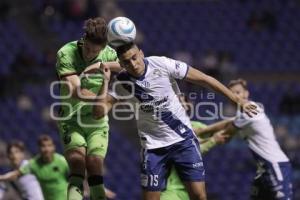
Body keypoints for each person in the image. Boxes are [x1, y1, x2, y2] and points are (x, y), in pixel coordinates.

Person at [93, 42, 257, 200]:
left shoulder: (162, 64)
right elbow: (99, 112)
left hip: (183, 141)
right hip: (153, 148)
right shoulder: (122, 82)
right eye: (127, 62)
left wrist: (237, 100)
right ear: (121, 64)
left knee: (199, 196)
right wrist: (105, 81)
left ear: (141, 53)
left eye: (134, 58)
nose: (133, 64)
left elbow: (205, 79)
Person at [55, 17, 120, 200]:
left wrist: (102, 65)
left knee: (94, 164)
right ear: (84, 38)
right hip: (71, 118)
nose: (90, 53)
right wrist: (103, 97)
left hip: (96, 121)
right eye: (88, 48)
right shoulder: (66, 53)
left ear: (104, 48)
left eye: (95, 51)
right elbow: (76, 91)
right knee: (77, 164)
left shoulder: (109, 54)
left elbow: (126, 66)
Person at [197, 78, 293, 200]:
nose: (235, 96)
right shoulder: (242, 115)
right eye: (232, 93)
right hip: (263, 171)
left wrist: (202, 137)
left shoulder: (251, 110)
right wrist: (203, 131)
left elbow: (227, 132)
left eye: (238, 92)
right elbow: (229, 122)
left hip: (275, 165)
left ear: (246, 94)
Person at [160, 95, 230, 200]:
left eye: (180, 101)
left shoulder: (196, 126)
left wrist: (239, 119)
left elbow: (225, 133)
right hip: (172, 191)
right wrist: (212, 141)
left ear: (188, 106)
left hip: (195, 188)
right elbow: (185, 153)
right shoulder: (166, 129)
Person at [0, 135, 69, 200]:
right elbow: (14, 176)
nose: (14, 156)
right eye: (11, 153)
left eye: (16, 152)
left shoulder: (61, 161)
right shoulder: (32, 165)